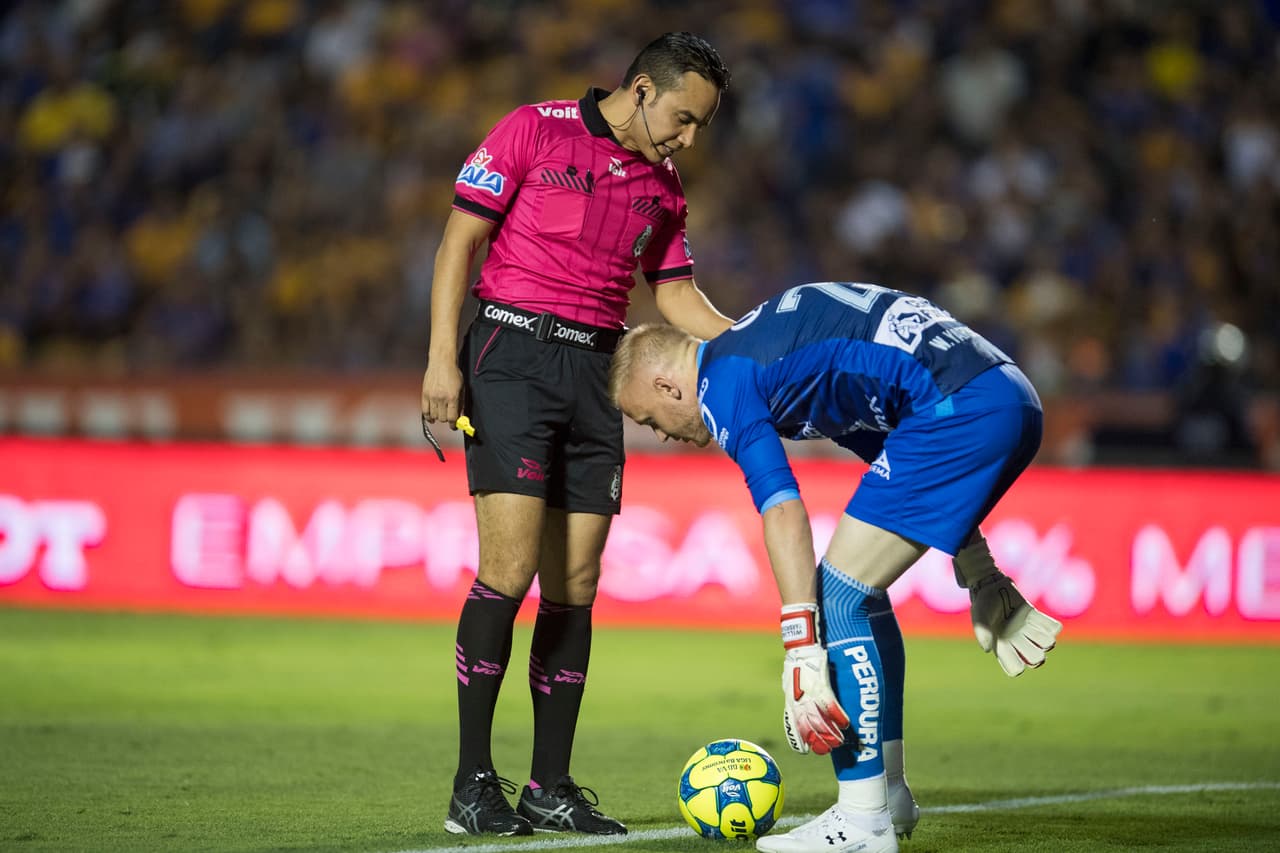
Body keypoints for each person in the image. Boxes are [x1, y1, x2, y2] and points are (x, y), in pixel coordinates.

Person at [608, 281, 1064, 853]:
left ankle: (862, 819)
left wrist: (800, 647)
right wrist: (980, 568)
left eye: (648, 418)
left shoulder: (721, 381)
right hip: (1009, 396)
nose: (659, 433)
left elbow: (782, 508)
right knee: (860, 593)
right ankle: (888, 793)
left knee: (838, 595)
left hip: (959, 409)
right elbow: (890, 447)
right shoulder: (774, 349)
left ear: (666, 386)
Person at [420, 33, 734, 837]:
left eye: (699, 127)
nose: (688, 139)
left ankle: (549, 785)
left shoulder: (665, 187)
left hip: (597, 371)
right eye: (684, 118)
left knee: (578, 581)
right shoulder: (532, 128)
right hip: (511, 356)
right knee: (509, 568)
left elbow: (676, 295)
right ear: (642, 89)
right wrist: (440, 360)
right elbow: (459, 241)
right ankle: (471, 784)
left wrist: (753, 340)